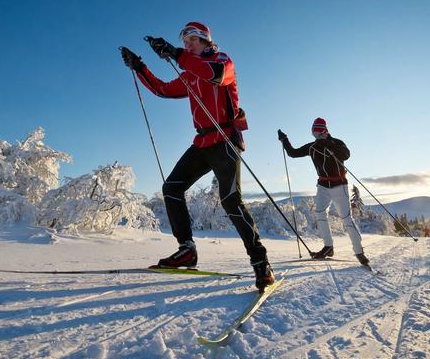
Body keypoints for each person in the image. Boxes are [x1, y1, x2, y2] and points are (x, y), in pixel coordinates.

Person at [119, 22, 275, 292]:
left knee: (230, 201)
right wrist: (140, 67)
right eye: (184, 41)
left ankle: (261, 263)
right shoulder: (189, 73)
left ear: (205, 40)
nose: (188, 44)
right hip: (202, 141)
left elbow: (214, 75)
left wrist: (178, 54)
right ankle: (187, 249)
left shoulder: (222, 61)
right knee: (172, 189)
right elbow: (163, 89)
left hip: (225, 139)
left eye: (192, 39)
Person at [278, 119, 370, 266]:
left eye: (319, 133)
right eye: (314, 133)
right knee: (320, 214)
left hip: (339, 185)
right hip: (322, 186)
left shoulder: (337, 142)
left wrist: (329, 144)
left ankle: (359, 252)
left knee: (346, 218)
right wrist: (285, 140)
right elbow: (293, 153)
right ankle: (328, 247)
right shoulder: (312, 147)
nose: (316, 136)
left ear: (325, 131)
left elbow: (346, 155)